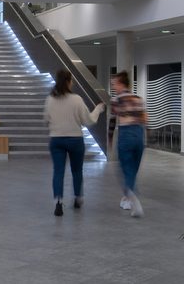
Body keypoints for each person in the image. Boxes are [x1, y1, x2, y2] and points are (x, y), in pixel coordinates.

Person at [44, 69, 105, 216]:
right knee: (77, 171)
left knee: (58, 171)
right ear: (69, 82)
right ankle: (78, 198)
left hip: (56, 140)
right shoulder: (77, 99)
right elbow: (88, 120)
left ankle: (58, 202)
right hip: (75, 140)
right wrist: (98, 109)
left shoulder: (50, 99)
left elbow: (47, 119)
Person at [111, 70, 147, 216]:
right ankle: (127, 198)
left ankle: (133, 200)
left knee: (126, 169)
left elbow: (112, 122)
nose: (114, 87)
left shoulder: (117, 100)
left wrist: (109, 139)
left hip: (125, 135)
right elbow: (145, 120)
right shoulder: (138, 99)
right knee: (133, 169)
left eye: (114, 84)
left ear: (121, 83)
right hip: (139, 135)